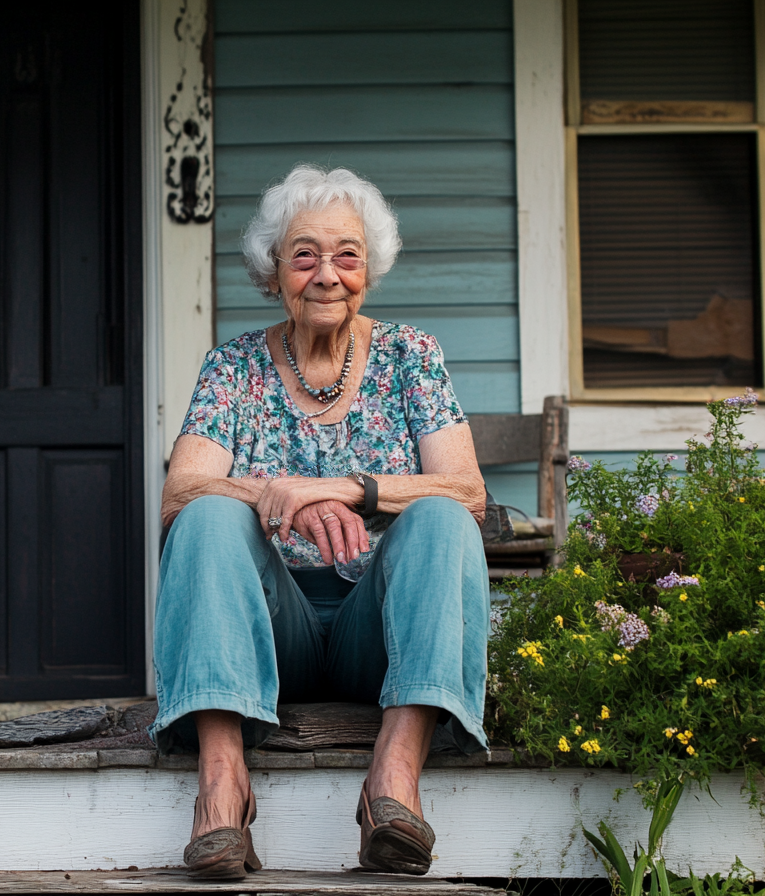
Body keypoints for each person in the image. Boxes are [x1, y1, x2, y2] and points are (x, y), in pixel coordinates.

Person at [153, 164, 490, 878]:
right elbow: (180, 493)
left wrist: (347, 489)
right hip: (273, 633)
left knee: (442, 516)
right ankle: (222, 785)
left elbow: (469, 491)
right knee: (208, 515)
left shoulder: (411, 357)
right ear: (273, 272)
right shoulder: (234, 368)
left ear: (370, 267)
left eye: (347, 254)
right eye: (305, 255)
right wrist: (279, 495)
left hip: (381, 628)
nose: (327, 274)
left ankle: (392, 783)